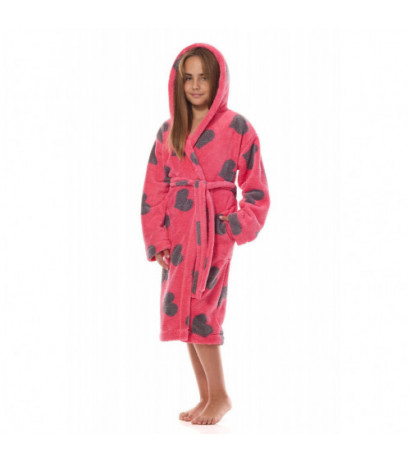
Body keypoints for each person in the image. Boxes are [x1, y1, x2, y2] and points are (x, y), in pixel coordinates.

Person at [140, 43, 270, 425]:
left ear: (218, 82)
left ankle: (221, 396)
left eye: (204, 78)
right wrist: (158, 240)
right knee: (184, 314)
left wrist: (234, 225)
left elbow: (257, 189)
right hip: (178, 234)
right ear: (178, 83)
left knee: (203, 314)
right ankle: (206, 397)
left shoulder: (237, 127)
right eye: (188, 78)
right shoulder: (170, 131)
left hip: (214, 233)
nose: (196, 85)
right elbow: (154, 190)